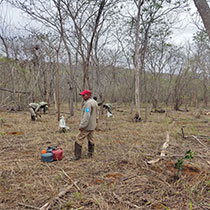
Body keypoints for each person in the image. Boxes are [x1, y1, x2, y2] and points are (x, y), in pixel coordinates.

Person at [72, 90, 98, 160]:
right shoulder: (94, 102)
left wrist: (82, 126)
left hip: (87, 126)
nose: (82, 97)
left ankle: (77, 156)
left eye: (84, 95)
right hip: (92, 125)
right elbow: (96, 115)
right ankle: (90, 154)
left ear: (89, 95)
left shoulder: (88, 104)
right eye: (82, 95)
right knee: (91, 139)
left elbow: (87, 116)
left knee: (78, 139)